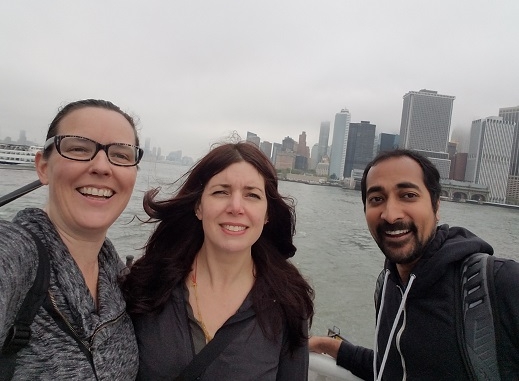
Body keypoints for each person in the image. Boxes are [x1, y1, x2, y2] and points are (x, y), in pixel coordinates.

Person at [309, 149, 519, 380]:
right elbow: (394, 366)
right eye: (376, 199)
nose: (390, 215)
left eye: (408, 195)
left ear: (436, 206)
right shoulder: (389, 285)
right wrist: (333, 347)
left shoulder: (499, 283)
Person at [122, 141, 314, 380]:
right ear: (199, 207)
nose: (236, 207)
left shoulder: (288, 301)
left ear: (267, 214)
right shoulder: (147, 285)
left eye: (252, 195)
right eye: (221, 192)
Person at [0, 99, 142, 379]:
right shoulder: (15, 255)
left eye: (121, 155)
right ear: (43, 167)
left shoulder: (119, 280)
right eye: (78, 148)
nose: (102, 166)